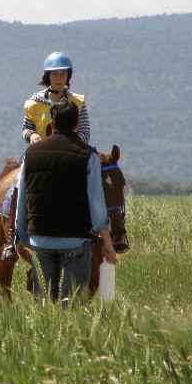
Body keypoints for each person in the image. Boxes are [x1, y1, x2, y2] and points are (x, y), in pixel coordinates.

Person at [15, 100, 117, 307]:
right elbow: (96, 203)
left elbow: (22, 199)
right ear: (77, 124)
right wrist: (106, 241)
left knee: (43, 307)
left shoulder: (31, 155)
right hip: (75, 241)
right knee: (71, 306)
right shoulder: (88, 155)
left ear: (52, 125)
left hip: (40, 239)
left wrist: (23, 236)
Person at [0, 51, 91, 260]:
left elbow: (85, 132)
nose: (59, 78)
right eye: (55, 74)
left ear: (68, 76)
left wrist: (70, 145)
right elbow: (25, 129)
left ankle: (101, 233)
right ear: (47, 77)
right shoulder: (33, 102)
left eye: (63, 74)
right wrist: (31, 135)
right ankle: (12, 238)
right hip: (38, 156)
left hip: (70, 155)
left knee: (96, 181)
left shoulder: (77, 102)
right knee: (18, 186)